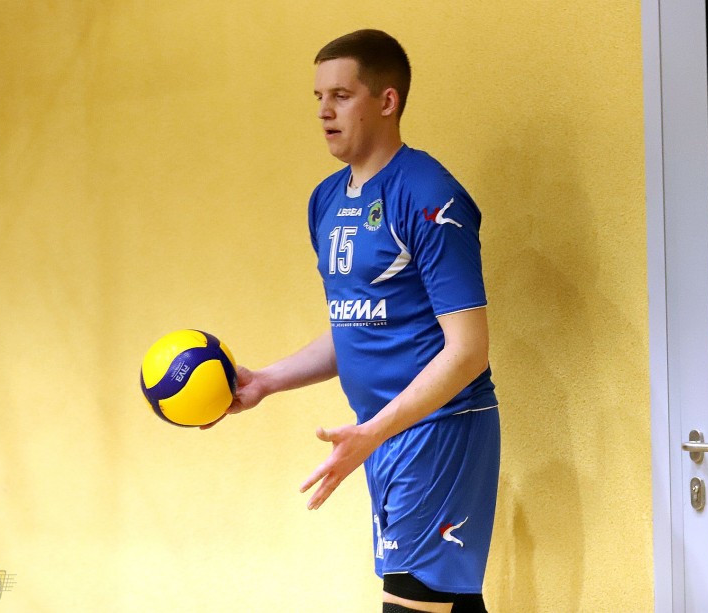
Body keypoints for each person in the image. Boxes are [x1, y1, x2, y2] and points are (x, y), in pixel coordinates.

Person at [208, 29, 500, 613]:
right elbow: (358, 326)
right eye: (318, 97)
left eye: (341, 96)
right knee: (447, 606)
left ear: (387, 101)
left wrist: (374, 432)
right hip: (383, 434)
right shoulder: (325, 201)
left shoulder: (429, 196)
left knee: (409, 606)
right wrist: (265, 380)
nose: (324, 111)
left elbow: (468, 351)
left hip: (440, 430)